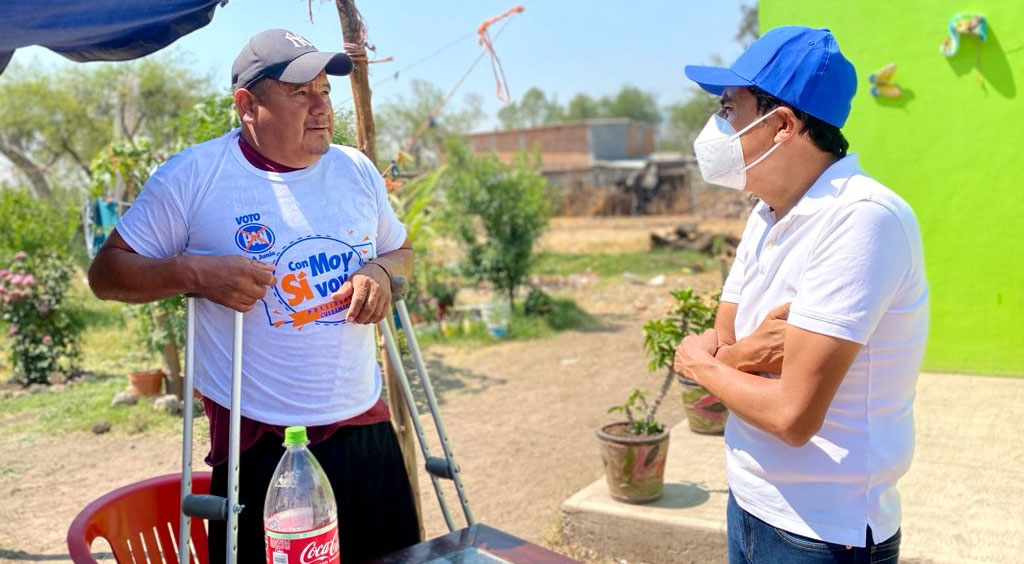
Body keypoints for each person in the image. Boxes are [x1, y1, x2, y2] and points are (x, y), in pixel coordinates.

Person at [88, 28, 419, 563]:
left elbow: (401, 251)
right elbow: (107, 274)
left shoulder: (356, 170)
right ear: (247, 104)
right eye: (299, 93)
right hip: (262, 442)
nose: (320, 108)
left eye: (325, 93)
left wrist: (381, 271)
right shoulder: (195, 176)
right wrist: (194, 274)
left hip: (363, 422)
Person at [673, 26, 929, 564]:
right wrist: (740, 357)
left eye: (729, 108)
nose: (718, 126)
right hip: (749, 500)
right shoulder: (765, 214)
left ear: (783, 125)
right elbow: (727, 342)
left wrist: (702, 366)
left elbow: (791, 415)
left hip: (820, 532)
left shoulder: (861, 220)